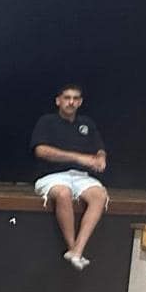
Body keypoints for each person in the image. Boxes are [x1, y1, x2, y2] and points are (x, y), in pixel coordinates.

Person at [30, 85, 109, 270]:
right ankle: (72, 246)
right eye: (67, 98)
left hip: (81, 176)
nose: (71, 102)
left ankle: (77, 251)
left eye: (75, 98)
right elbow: (41, 150)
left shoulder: (87, 123)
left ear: (80, 102)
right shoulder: (47, 122)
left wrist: (100, 158)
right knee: (63, 194)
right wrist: (78, 157)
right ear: (58, 101)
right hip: (52, 176)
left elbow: (99, 148)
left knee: (99, 195)